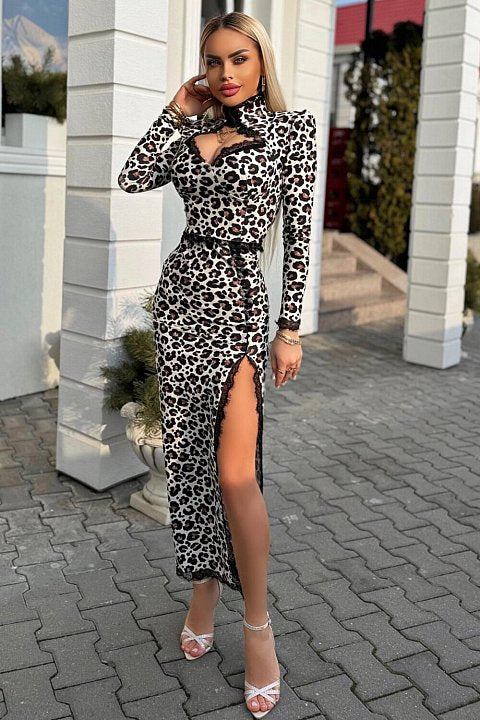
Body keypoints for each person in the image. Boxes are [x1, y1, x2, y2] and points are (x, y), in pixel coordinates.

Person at [118, 10, 317, 718]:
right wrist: (177, 110)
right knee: (192, 464)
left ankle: (257, 627)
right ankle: (204, 587)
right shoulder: (191, 133)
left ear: (261, 63)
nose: (225, 73)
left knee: (236, 474)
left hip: (237, 306)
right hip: (180, 304)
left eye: (239, 58)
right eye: (213, 61)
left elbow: (298, 239)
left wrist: (289, 330)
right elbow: (132, 177)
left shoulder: (291, 133)